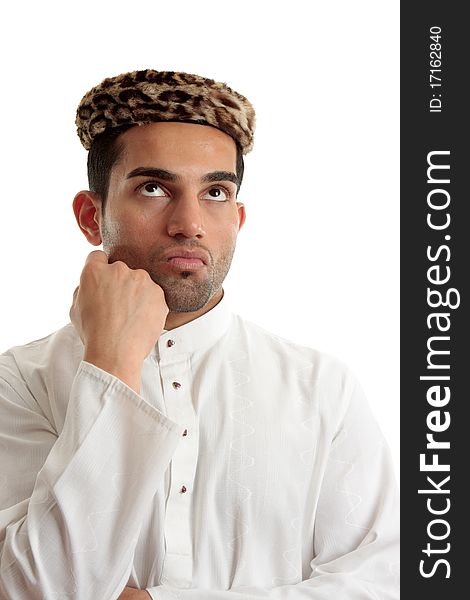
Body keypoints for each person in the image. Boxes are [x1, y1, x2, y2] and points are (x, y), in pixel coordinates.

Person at [0, 69, 399, 599]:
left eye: (214, 191)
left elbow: (381, 581)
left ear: (237, 217)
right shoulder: (21, 382)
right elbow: (35, 587)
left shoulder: (321, 387)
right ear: (90, 215)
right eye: (153, 187)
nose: (189, 222)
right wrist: (111, 364)